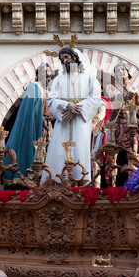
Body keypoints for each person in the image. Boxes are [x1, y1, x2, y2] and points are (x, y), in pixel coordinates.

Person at [40, 47, 102, 184]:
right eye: (62, 59)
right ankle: (55, 182)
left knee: (80, 150)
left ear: (75, 58)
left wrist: (77, 109)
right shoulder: (58, 79)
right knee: (57, 150)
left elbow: (96, 98)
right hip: (64, 120)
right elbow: (51, 99)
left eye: (67, 57)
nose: (65, 61)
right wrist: (66, 106)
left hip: (81, 120)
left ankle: (81, 184)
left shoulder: (89, 78)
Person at [3, 62, 52, 187]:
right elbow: (31, 110)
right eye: (42, 72)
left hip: (47, 128)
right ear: (37, 74)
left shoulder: (48, 91)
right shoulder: (34, 87)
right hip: (35, 126)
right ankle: (29, 178)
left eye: (47, 73)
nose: (45, 75)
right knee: (34, 152)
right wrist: (40, 120)